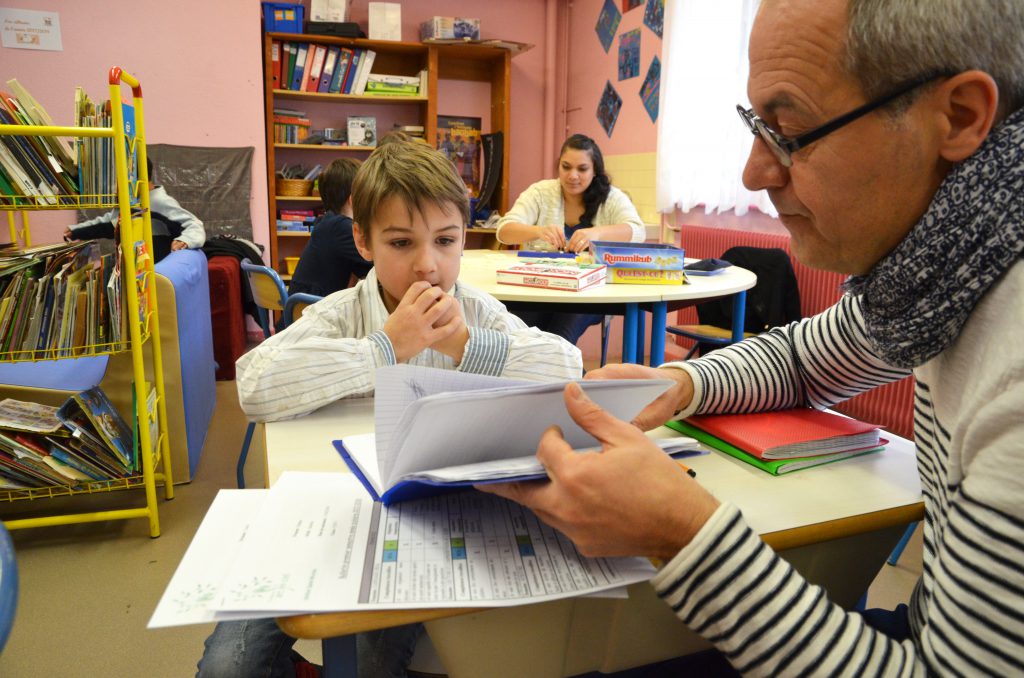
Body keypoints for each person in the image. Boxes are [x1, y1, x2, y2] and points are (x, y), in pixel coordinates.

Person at [481, 0, 1024, 675]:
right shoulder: (946, 270)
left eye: (790, 131)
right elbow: (801, 357)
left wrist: (681, 531)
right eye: (755, 125)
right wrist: (681, 381)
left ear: (961, 116)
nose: (754, 173)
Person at [199, 141, 583, 678]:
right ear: (364, 240)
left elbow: (567, 369)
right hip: (324, 519)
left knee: (366, 664)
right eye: (401, 242)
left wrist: (469, 347)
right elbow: (255, 385)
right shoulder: (342, 312)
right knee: (229, 669)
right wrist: (383, 348)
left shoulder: (476, 313)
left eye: (446, 241)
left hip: (420, 532)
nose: (428, 265)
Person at [495, 134, 646, 344]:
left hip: (590, 294)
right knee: (518, 336)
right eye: (566, 167)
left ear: (595, 171)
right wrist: (538, 231)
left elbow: (637, 231)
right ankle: (562, 375)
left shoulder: (611, 197)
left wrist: (597, 233)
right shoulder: (540, 192)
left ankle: (566, 375)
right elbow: (504, 230)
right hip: (541, 290)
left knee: (559, 339)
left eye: (582, 169)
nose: (572, 175)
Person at [64, 157, 205, 262]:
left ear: (135, 180)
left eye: (118, 180)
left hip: (158, 269)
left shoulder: (158, 201)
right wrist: (76, 230)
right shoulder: (131, 203)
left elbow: (194, 224)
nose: (116, 187)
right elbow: (109, 223)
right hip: (136, 269)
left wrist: (185, 240)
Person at [287, 158, 370, 297]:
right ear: (354, 199)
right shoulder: (341, 228)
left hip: (302, 309)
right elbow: (378, 266)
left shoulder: (327, 223)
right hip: (315, 311)